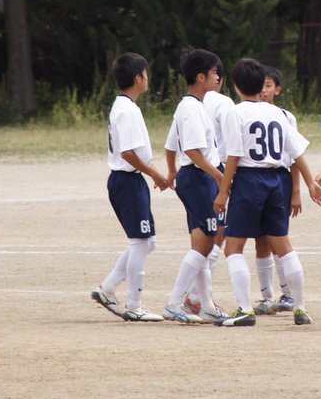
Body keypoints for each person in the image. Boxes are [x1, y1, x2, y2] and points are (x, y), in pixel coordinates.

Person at [215, 59, 321, 327]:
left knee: (234, 247)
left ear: (237, 86)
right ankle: (300, 307)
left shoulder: (236, 112)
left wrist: (222, 191)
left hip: (250, 179)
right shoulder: (277, 113)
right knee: (283, 245)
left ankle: (244, 309)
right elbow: (296, 152)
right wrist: (310, 182)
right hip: (278, 179)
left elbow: (234, 155)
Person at [91, 52, 172, 323]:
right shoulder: (126, 110)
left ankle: (108, 288)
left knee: (148, 242)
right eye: (146, 74)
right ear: (138, 78)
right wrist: (156, 174)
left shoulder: (126, 107)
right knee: (140, 242)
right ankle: (134, 304)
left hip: (131, 180)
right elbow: (127, 153)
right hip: (127, 180)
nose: (148, 79)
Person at [162, 49, 227, 324]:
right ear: (201, 77)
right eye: (213, 73)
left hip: (195, 177)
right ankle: (174, 303)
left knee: (204, 242)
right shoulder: (190, 108)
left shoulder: (194, 105)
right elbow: (193, 151)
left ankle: (206, 303)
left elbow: (169, 145)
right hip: (199, 177)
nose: (217, 78)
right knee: (205, 245)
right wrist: (219, 177)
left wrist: (172, 171)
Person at [252, 66, 302, 316]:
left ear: (278, 89)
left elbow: (294, 158)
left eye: (269, 85)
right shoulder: (248, 114)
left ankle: (289, 294)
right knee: (260, 240)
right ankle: (266, 296)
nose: (263, 90)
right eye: (260, 85)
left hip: (279, 179)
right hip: (255, 178)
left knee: (278, 237)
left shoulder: (285, 116)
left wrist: (296, 191)